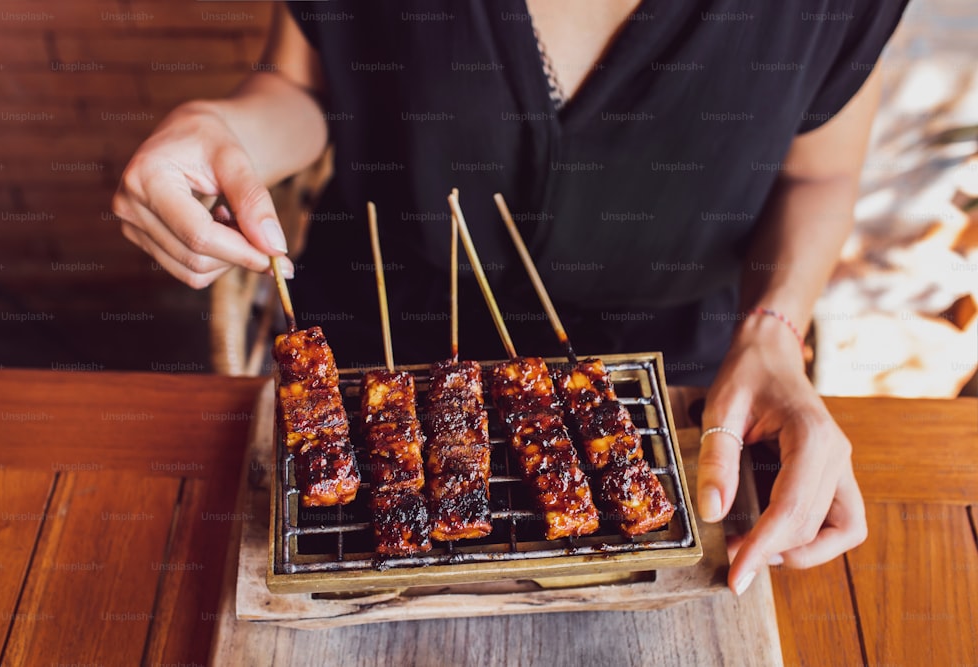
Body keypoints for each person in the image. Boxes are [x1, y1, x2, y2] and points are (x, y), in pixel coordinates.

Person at [113, 1, 909, 595]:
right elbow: (303, 83)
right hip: (380, 351)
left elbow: (821, 171)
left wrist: (774, 330)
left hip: (679, 392)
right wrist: (221, 127)